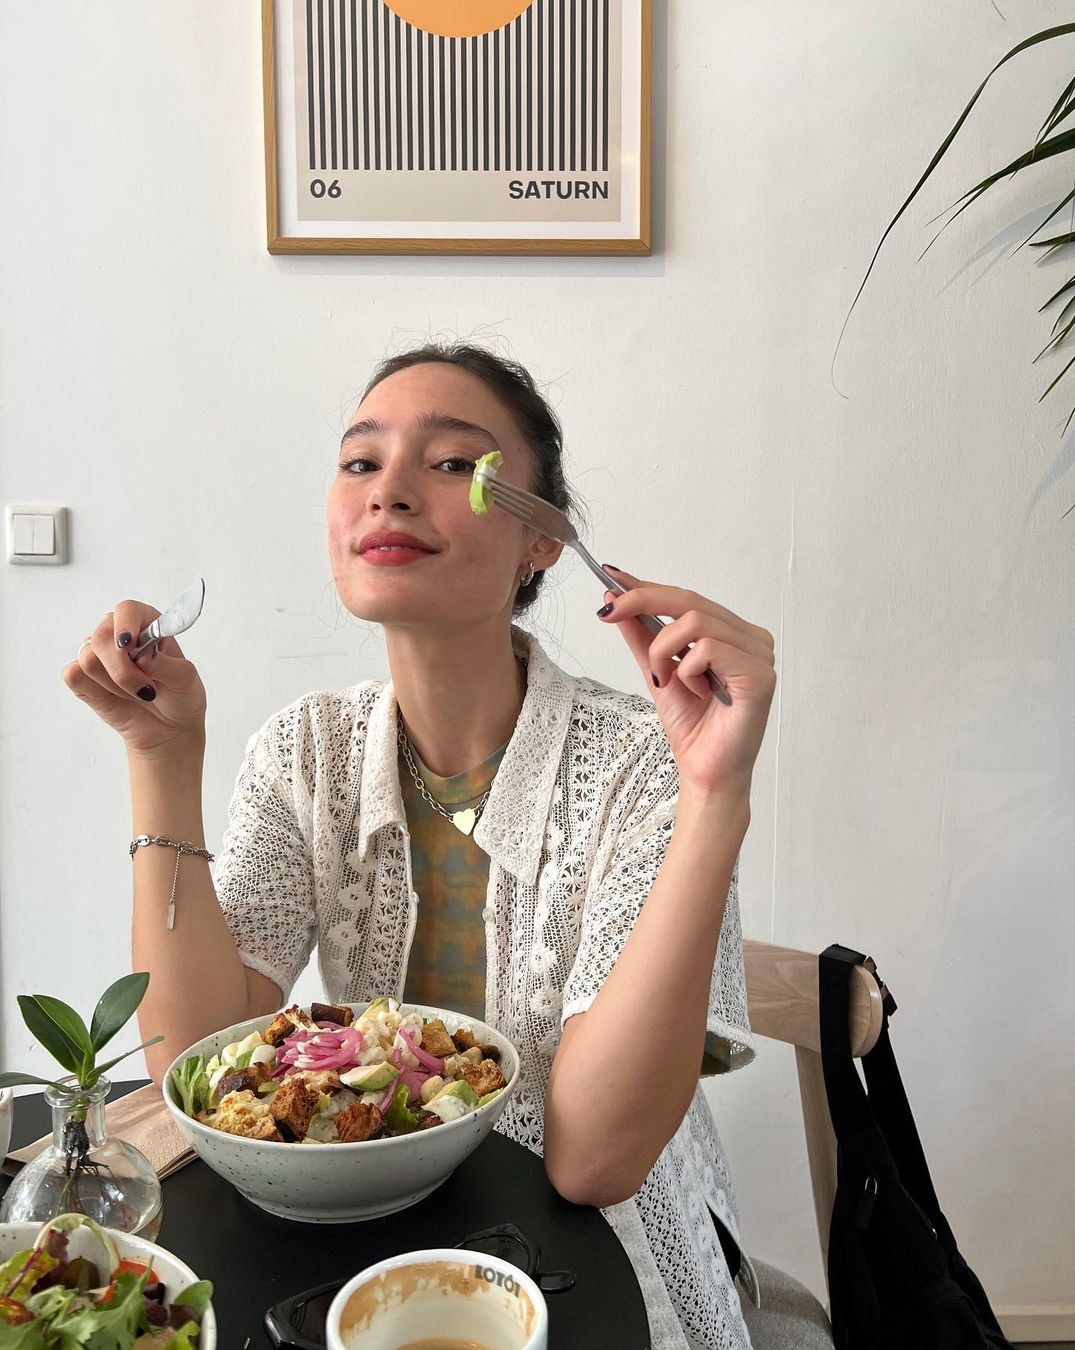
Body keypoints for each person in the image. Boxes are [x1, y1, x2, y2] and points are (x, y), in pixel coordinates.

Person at [63, 342, 776, 1350]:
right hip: (353, 1246)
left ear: (542, 540)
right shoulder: (306, 750)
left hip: (607, 1260)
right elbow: (196, 1064)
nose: (388, 490)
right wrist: (162, 756)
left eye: (451, 464)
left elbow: (595, 1163)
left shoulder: (646, 763)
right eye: (360, 461)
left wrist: (716, 796)